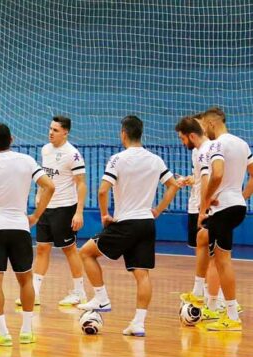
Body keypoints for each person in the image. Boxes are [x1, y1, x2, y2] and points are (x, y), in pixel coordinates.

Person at [78, 115, 179, 337]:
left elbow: (103, 190)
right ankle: (138, 323)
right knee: (142, 274)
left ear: (123, 133)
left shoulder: (117, 159)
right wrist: (157, 210)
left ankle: (101, 298)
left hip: (126, 222)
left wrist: (105, 214)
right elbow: (173, 185)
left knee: (85, 253)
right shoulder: (155, 160)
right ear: (140, 133)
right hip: (146, 223)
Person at [0, 122, 55, 346]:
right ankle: (26, 331)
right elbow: (50, 187)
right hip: (20, 226)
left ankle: (3, 334)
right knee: (25, 279)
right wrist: (35, 215)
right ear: (12, 139)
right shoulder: (27, 161)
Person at [18, 116, 86, 307]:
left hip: (65, 207)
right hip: (45, 207)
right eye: (50, 128)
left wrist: (78, 212)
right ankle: (35, 293)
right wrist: (38, 200)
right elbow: (45, 178)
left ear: (65, 132)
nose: (51, 132)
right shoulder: (45, 150)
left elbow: (81, 184)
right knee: (42, 248)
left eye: (55, 130)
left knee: (69, 248)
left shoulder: (73, 154)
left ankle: (79, 293)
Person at [200, 107, 252, 331]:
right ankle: (220, 309)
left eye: (203, 126)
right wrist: (242, 197)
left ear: (211, 124)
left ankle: (231, 316)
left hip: (223, 207)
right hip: (237, 205)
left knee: (222, 261)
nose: (204, 131)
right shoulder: (242, 143)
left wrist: (207, 199)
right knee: (219, 260)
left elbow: (218, 173)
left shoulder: (216, 145)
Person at [174, 115, 222, 319]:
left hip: (206, 207)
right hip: (201, 204)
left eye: (182, 138)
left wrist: (204, 208)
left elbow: (208, 179)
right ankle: (200, 291)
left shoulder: (206, 149)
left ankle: (219, 300)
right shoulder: (200, 151)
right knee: (203, 248)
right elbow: (202, 177)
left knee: (214, 255)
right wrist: (189, 180)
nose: (182, 142)